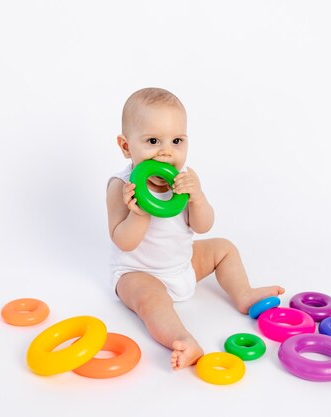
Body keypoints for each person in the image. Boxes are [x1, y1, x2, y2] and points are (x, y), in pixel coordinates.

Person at [106, 87, 284, 370]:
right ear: (127, 146)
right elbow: (123, 242)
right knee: (151, 300)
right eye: (153, 141)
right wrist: (138, 213)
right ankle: (182, 338)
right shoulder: (121, 186)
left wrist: (197, 197)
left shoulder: (187, 179)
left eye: (177, 140)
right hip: (139, 272)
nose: (166, 152)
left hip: (183, 264)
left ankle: (243, 293)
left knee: (223, 248)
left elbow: (202, 226)